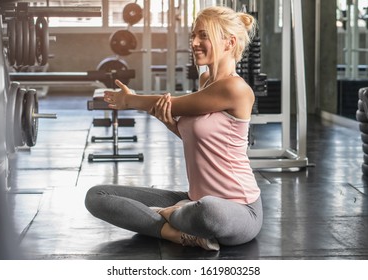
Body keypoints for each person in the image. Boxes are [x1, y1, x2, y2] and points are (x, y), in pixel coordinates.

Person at [85, 5, 263, 251]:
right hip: (194, 199)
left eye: (203, 35)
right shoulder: (205, 81)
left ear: (229, 42)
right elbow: (196, 136)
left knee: (209, 212)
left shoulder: (236, 89)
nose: (194, 42)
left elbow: (176, 105)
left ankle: (169, 214)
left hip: (239, 209)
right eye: (193, 35)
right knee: (97, 196)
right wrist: (169, 122)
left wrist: (130, 100)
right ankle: (176, 233)